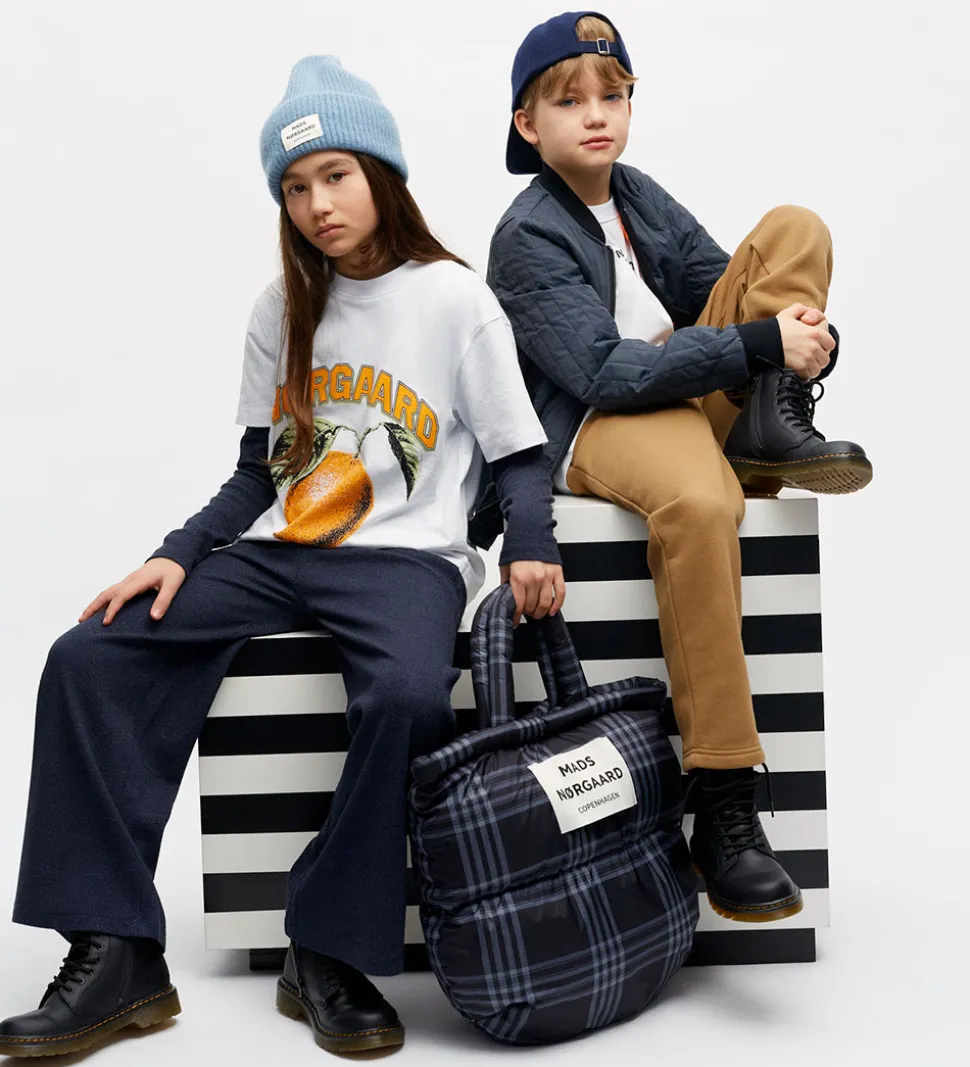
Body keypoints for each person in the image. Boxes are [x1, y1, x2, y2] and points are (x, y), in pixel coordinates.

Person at [0, 56, 564, 1059]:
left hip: (407, 559)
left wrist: (529, 544)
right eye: (295, 188)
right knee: (89, 653)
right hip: (281, 549)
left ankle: (326, 948)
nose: (316, 205)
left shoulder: (453, 299)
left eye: (335, 176)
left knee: (408, 695)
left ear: (380, 174)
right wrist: (176, 554)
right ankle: (116, 950)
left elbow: (520, 454)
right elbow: (256, 473)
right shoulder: (281, 308)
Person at [483, 11, 871, 927]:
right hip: (600, 422)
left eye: (612, 95)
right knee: (702, 501)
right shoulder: (526, 235)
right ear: (526, 123)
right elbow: (604, 372)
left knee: (795, 228)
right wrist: (758, 342)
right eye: (568, 101)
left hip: (682, 396)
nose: (595, 115)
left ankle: (771, 419)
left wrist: (795, 338)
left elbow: (722, 290)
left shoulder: (638, 195)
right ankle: (724, 801)